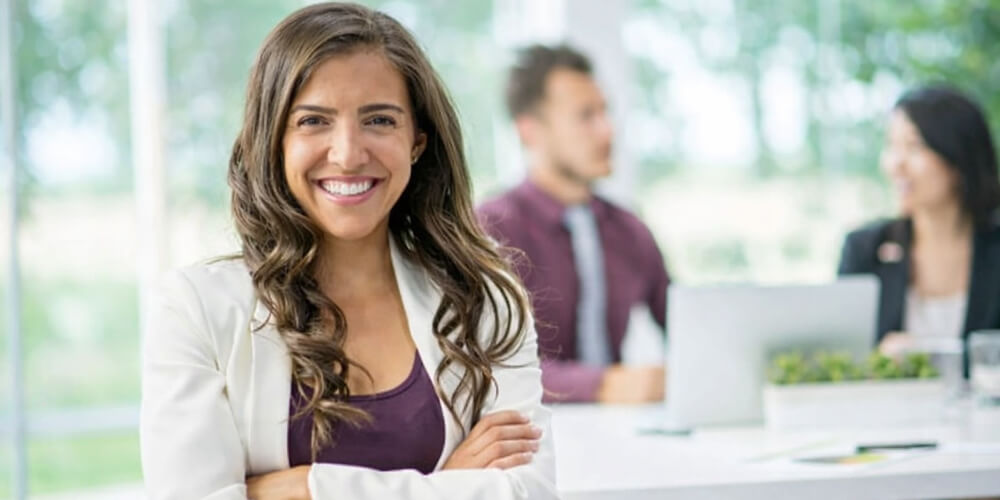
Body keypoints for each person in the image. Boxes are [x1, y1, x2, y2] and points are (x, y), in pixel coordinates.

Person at [139, 3, 556, 499]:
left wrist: (302, 487)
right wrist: (445, 486)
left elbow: (528, 491)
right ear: (273, 141)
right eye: (314, 121)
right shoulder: (195, 309)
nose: (349, 154)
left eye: (379, 120)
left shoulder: (486, 300)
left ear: (417, 141)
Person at [477, 45, 670, 404]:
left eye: (604, 112)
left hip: (622, 426)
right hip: (531, 430)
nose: (607, 131)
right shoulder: (491, 229)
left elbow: (685, 328)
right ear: (530, 131)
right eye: (585, 116)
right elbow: (487, 366)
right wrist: (603, 385)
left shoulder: (630, 230)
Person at [839, 85, 1000, 372]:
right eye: (892, 146)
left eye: (914, 147)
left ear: (958, 158)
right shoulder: (865, 249)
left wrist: (928, 358)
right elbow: (840, 359)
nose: (895, 165)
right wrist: (878, 361)